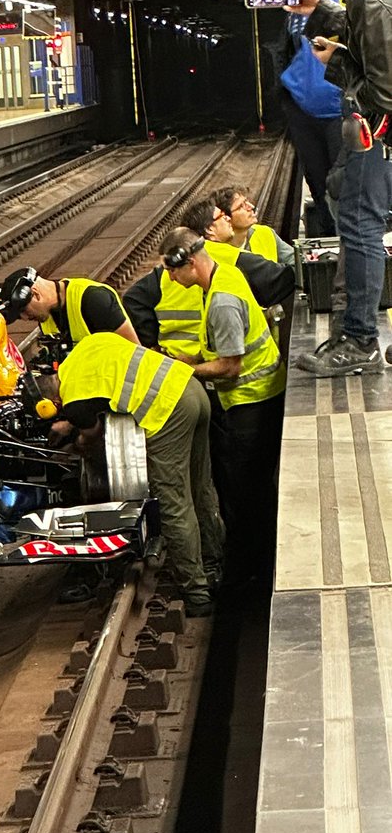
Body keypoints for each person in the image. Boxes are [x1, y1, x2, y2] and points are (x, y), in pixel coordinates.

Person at [284, 0, 392, 376]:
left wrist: (339, 63)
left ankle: (359, 340)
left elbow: (386, 94)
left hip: (381, 126)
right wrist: (323, 8)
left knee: (359, 221)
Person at [53, 332, 223, 616]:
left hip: (169, 411)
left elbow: (91, 436)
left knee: (173, 501)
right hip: (191, 387)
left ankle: (197, 592)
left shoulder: (72, 399)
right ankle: (214, 562)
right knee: (200, 486)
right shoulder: (85, 349)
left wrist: (75, 437)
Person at [160, 228, 286, 585]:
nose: (169, 278)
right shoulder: (220, 278)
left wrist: (191, 372)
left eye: (172, 271)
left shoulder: (222, 301)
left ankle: (252, 571)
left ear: (189, 263)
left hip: (252, 403)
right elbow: (215, 346)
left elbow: (231, 366)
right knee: (246, 486)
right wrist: (184, 359)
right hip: (257, 397)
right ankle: (254, 561)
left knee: (245, 490)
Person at [124, 202, 295, 359]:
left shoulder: (166, 270)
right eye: (221, 216)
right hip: (226, 366)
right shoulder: (231, 257)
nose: (228, 218)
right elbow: (284, 279)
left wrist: (152, 342)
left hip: (183, 363)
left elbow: (133, 299)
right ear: (210, 229)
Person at [279, 0, 343, 237]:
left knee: (345, 184)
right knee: (317, 181)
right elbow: (288, 49)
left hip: (343, 109)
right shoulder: (296, 6)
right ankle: (330, 238)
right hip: (303, 110)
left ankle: (349, 240)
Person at [0, 266, 140, 348]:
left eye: (23, 310)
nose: (25, 317)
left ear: (35, 294)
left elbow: (135, 351)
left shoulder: (94, 299)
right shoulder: (46, 318)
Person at [211, 186, 295, 265]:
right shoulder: (212, 251)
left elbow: (295, 261)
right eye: (241, 206)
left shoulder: (265, 233)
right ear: (226, 218)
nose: (251, 207)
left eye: (246, 202)